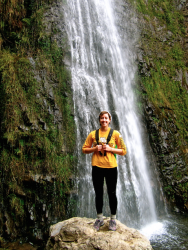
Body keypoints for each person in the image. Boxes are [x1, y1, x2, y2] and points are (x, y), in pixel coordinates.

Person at [82, 111, 127, 231]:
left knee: (112, 193)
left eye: (106, 118)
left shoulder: (116, 134)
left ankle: (113, 219)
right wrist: (94, 148)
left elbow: (123, 151)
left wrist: (111, 148)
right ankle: (100, 218)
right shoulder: (93, 134)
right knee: (98, 193)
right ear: (99, 120)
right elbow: (84, 149)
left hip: (111, 167)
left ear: (109, 120)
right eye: (102, 118)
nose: (104, 120)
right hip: (96, 167)